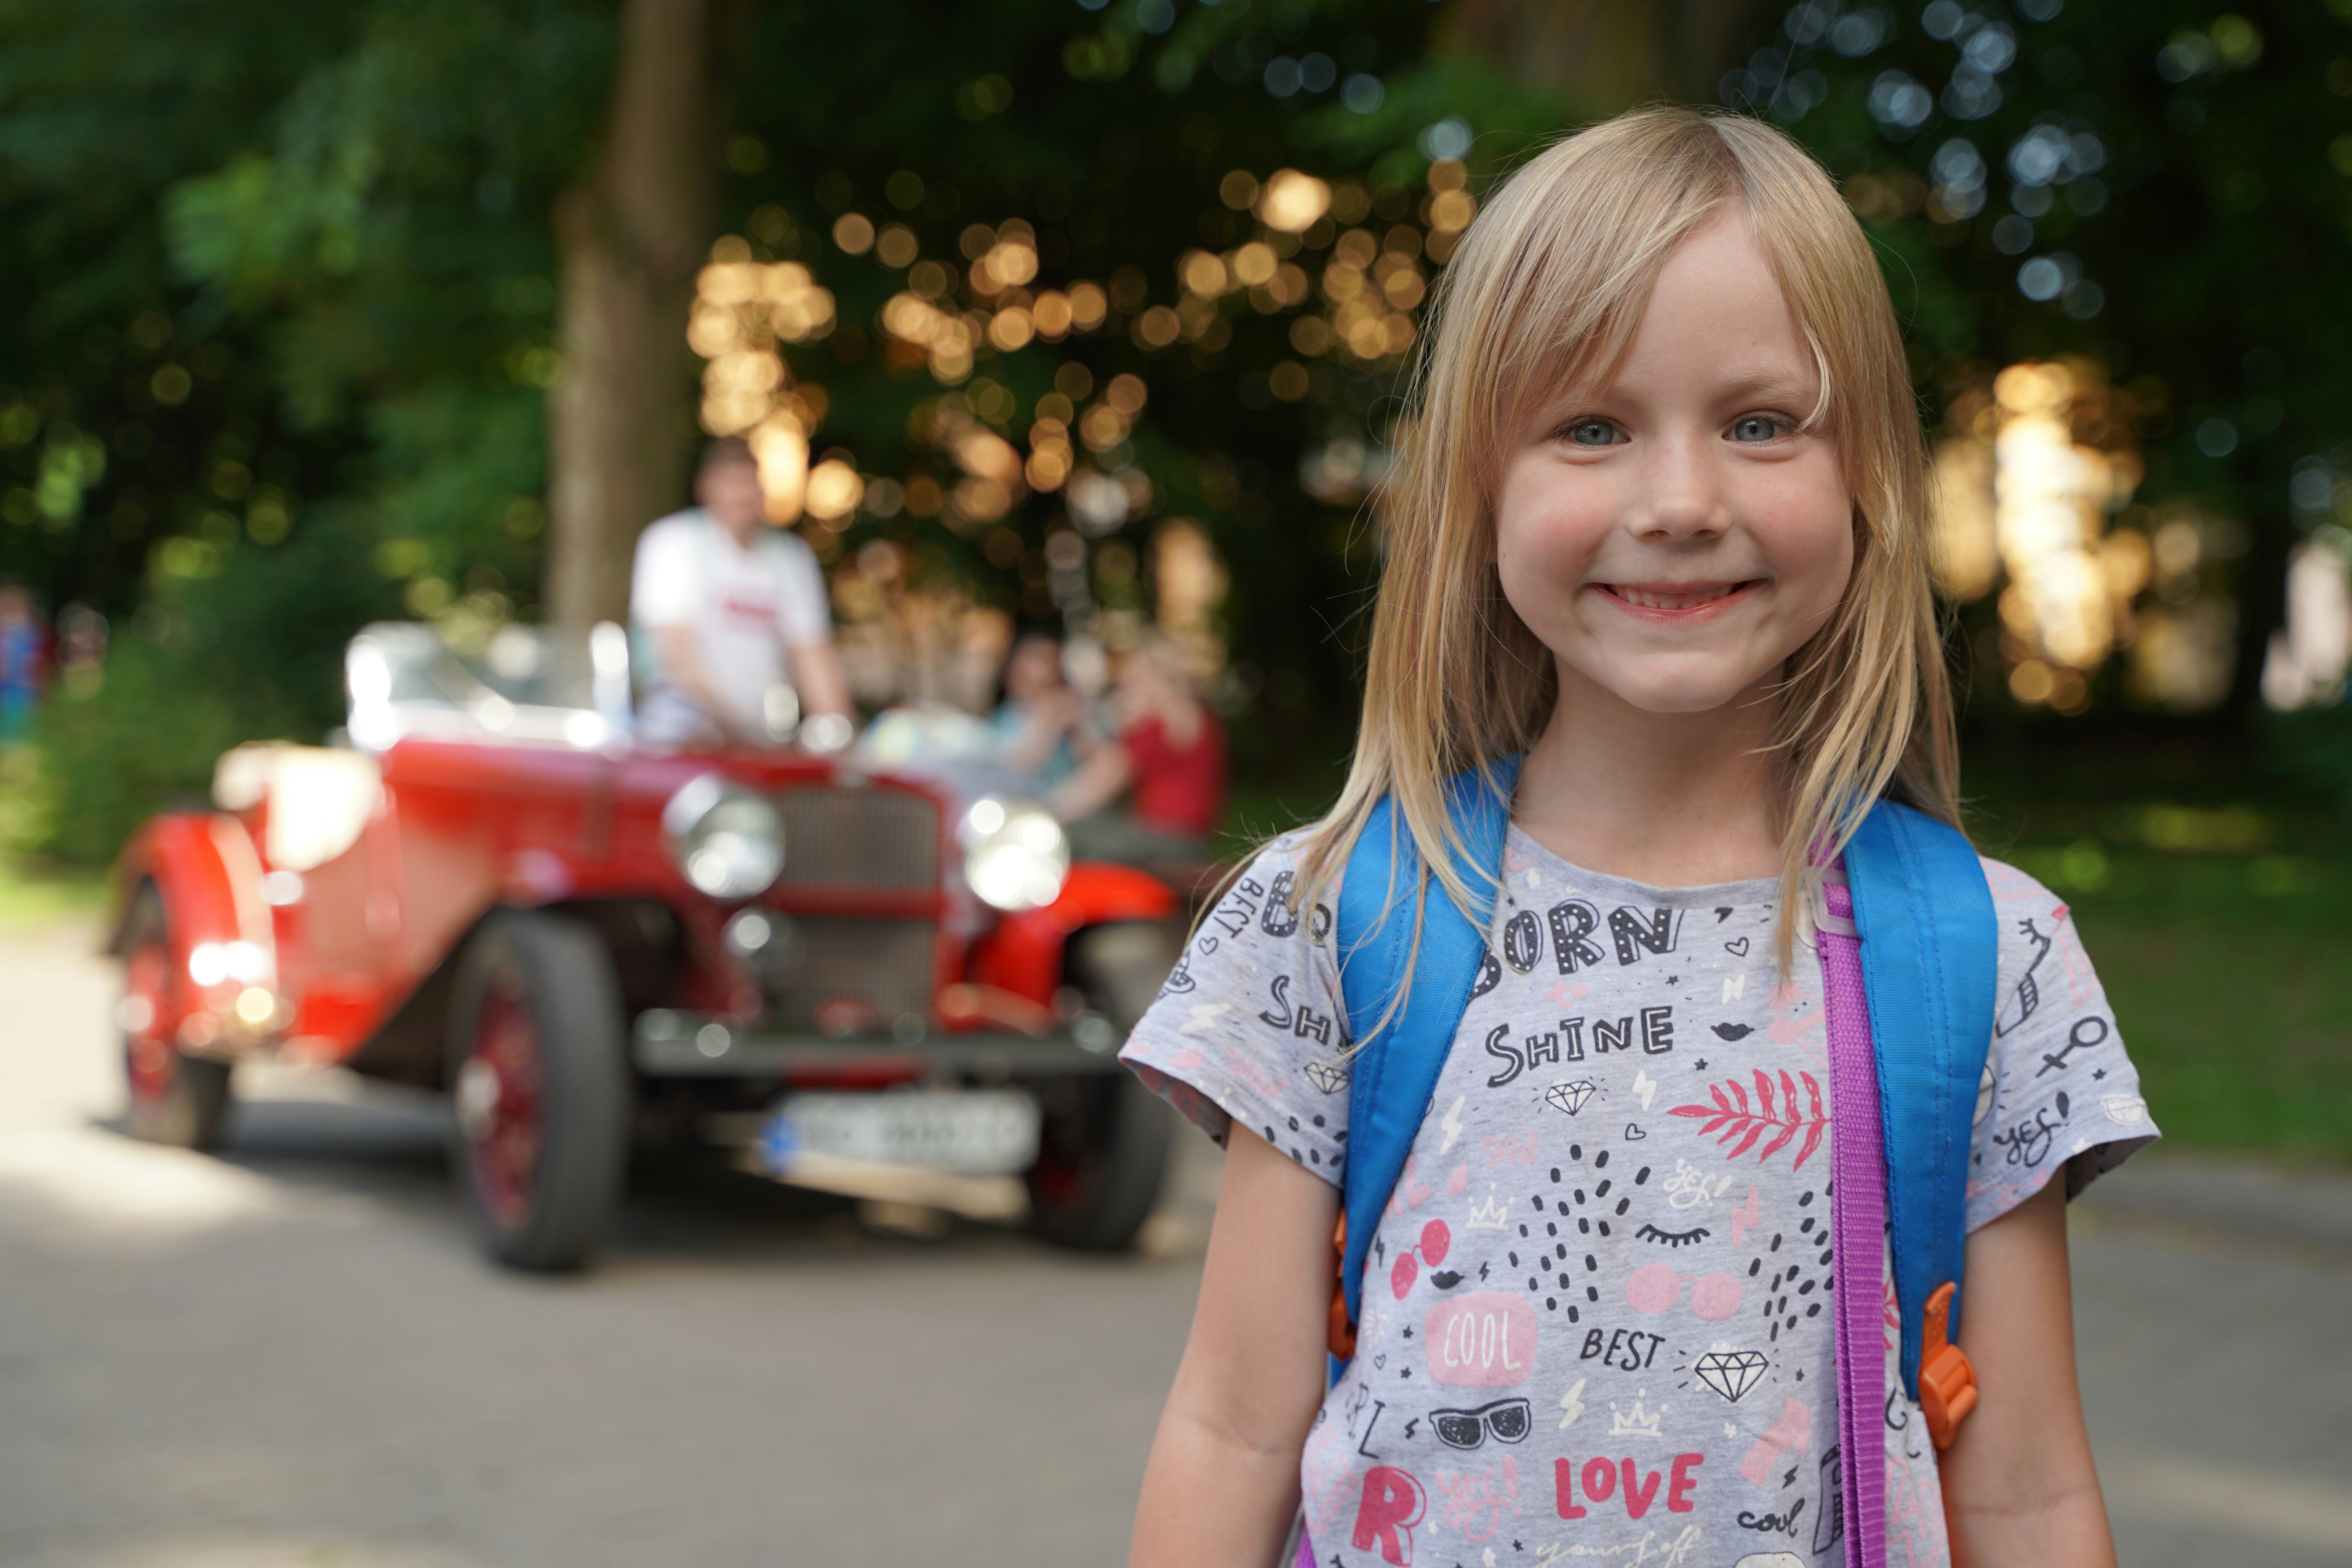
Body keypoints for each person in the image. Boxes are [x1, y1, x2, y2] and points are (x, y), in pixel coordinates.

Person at [1118, 109, 2153, 1568]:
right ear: (1481, 490)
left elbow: (2028, 1488)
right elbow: (1231, 1426)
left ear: (1864, 476)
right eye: (1590, 427)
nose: (1679, 502)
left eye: (1758, 423)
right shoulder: (1336, 917)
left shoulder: (1990, 954)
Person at [630, 437, 853, 750]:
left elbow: (813, 653)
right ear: (705, 488)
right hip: (682, 737)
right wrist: (736, 729)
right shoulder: (674, 543)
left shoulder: (790, 557)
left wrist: (839, 733)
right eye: (732, 482)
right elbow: (678, 659)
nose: (744, 494)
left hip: (759, 740)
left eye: (751, 483)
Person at [1047, 635, 1227, 866]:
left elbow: (1099, 782)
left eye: (1133, 684)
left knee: (1067, 840)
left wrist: (1046, 813)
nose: (1126, 694)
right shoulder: (1198, 714)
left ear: (1155, 679)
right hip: (1192, 839)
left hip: (1165, 841)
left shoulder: (1159, 724)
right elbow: (1102, 763)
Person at [989, 628, 1086, 792]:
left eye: (1054, 660)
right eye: (1039, 658)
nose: (1049, 668)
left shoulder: (1069, 715)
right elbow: (1012, 769)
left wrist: (1077, 728)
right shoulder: (1002, 724)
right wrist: (1048, 723)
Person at [0, 583, 47, 743]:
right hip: (24, 693)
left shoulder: (13, 637)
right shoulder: (31, 635)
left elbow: (7, 669)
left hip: (13, 694)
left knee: (12, 738)